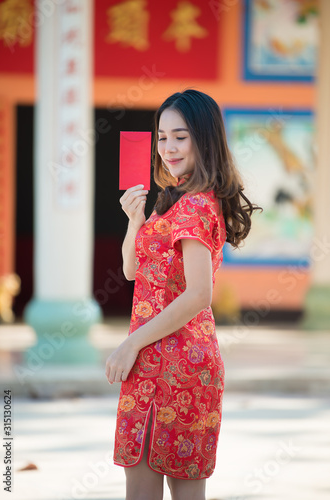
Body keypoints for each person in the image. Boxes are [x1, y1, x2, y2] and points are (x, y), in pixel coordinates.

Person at [105, 89, 262, 500]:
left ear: (204, 138)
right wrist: (133, 221)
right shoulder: (172, 198)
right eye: (162, 137)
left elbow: (197, 295)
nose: (168, 147)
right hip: (159, 358)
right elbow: (132, 271)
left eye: (181, 136)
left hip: (174, 362)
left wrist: (130, 345)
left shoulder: (194, 206)